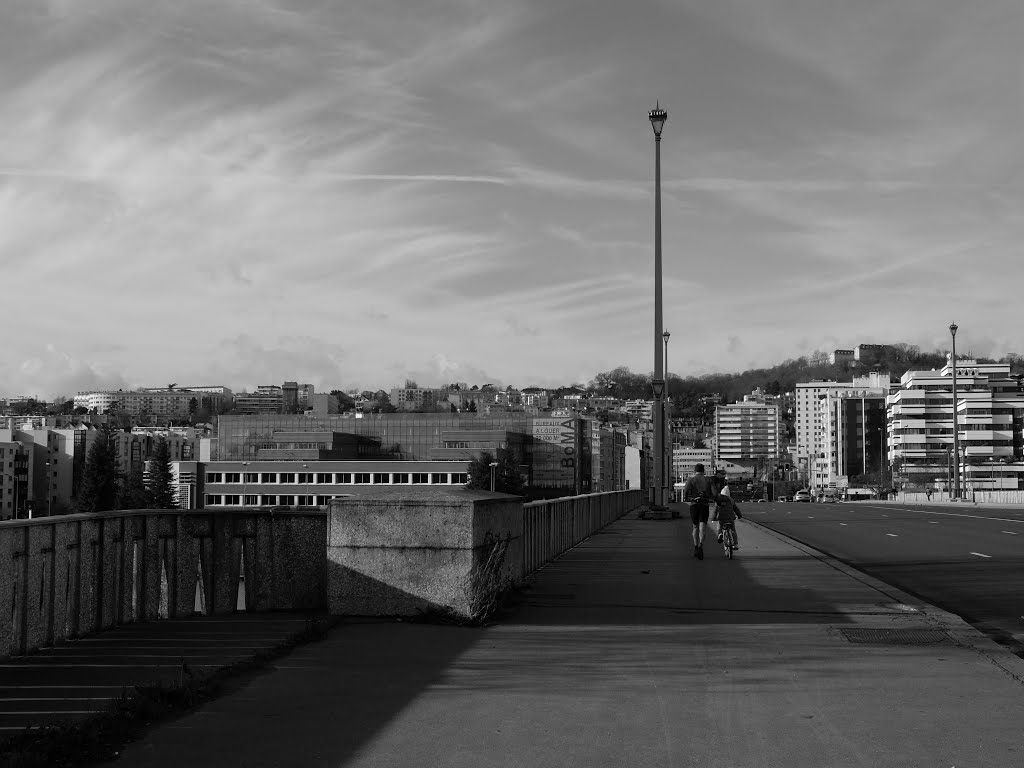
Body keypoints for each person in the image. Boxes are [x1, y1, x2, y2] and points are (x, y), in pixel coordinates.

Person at [681, 463, 719, 560]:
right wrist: (715, 499)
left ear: (695, 471)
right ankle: (701, 545)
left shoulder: (691, 479)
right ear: (703, 471)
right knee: (703, 526)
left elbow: (686, 492)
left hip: (694, 505)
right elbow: (715, 493)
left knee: (695, 527)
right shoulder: (709, 479)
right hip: (704, 505)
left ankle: (695, 547)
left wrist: (687, 498)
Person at [714, 480, 742, 549]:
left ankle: (720, 534)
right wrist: (739, 515)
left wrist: (713, 518)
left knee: (719, 526)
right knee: (733, 530)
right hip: (730, 517)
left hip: (721, 518)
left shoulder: (718, 500)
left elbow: (715, 510)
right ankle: (735, 544)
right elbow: (736, 509)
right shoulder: (731, 500)